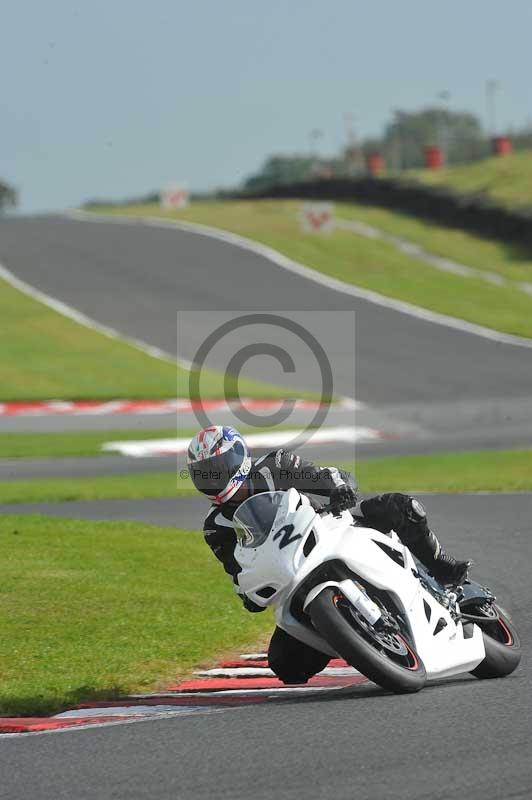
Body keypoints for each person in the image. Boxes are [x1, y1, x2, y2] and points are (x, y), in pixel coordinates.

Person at [187, 425, 471, 685]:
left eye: (218, 467)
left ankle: (442, 569)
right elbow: (235, 570)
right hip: (291, 569)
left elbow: (324, 476)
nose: (214, 477)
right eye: (204, 473)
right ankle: (354, 636)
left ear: (239, 458)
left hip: (332, 528)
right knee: (285, 665)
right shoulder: (216, 528)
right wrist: (247, 594)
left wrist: (338, 488)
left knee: (403, 507)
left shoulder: (275, 466)